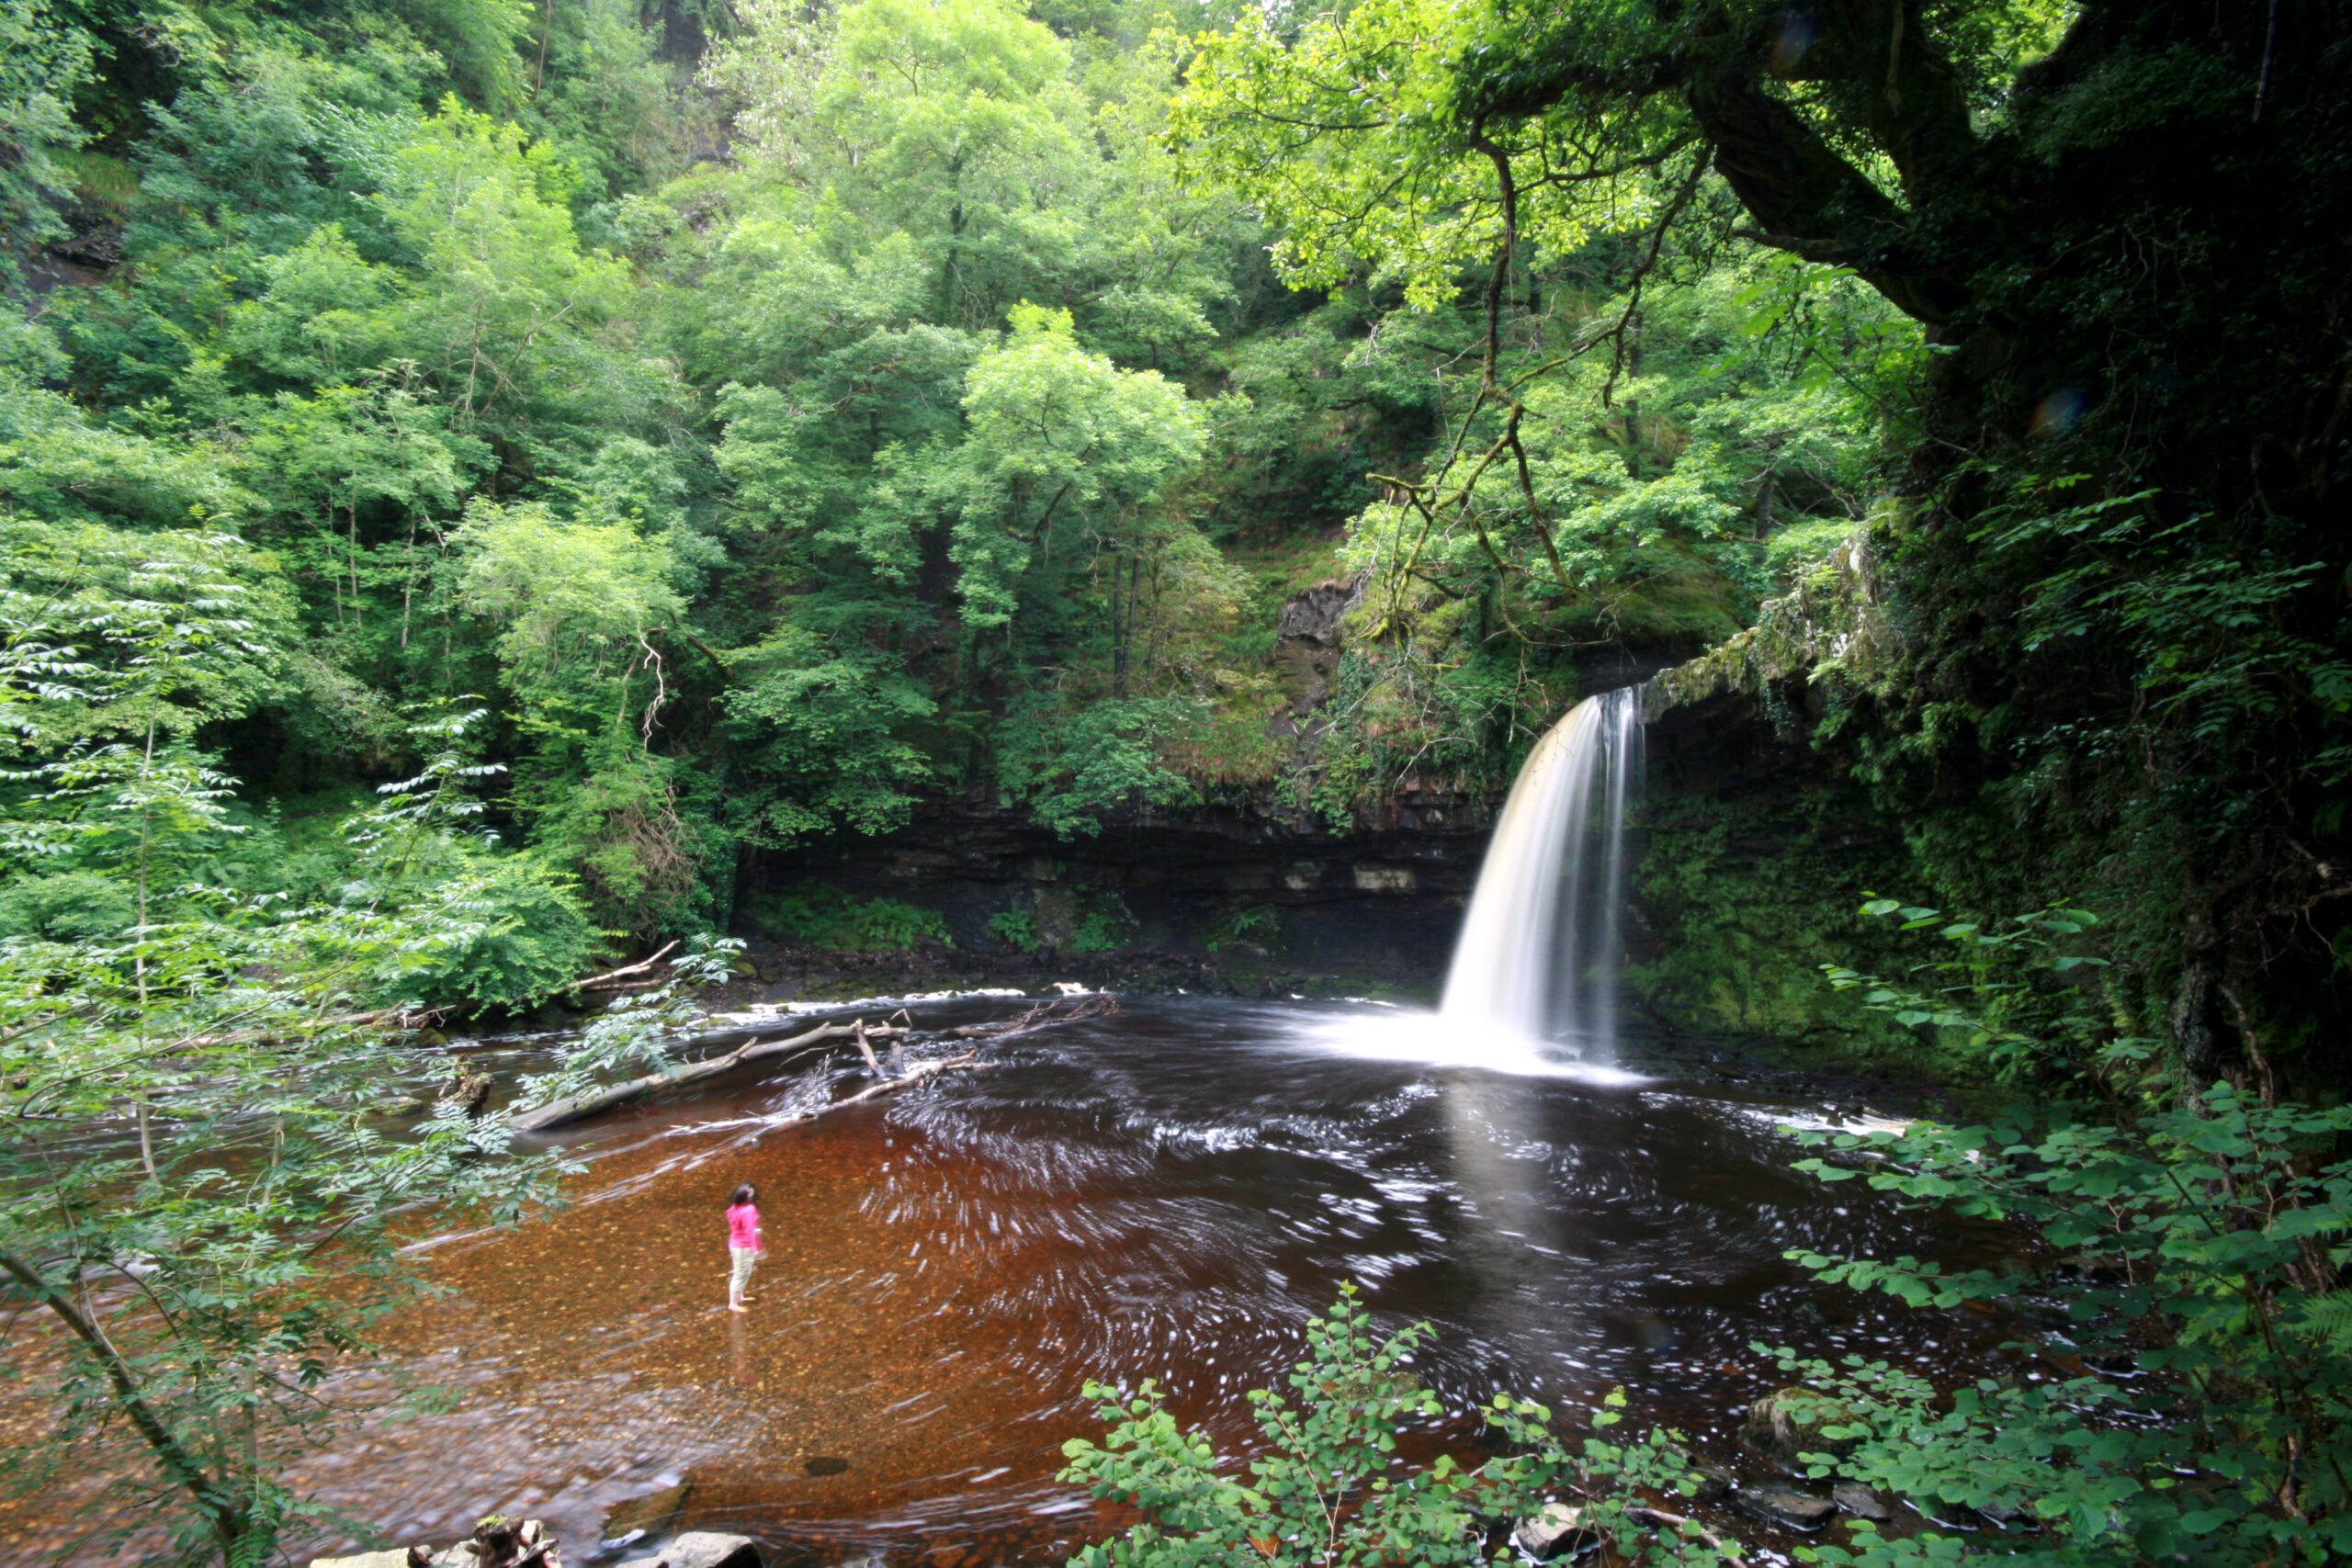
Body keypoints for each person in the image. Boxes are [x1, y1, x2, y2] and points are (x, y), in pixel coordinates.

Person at [725, 1182, 763, 1313]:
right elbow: (749, 1231)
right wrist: (755, 1248)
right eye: (749, 1191)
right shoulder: (749, 1209)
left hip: (735, 1244)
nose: (751, 1192)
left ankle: (740, 1297)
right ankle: (733, 1304)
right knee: (741, 1273)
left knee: (745, 1271)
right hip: (743, 1246)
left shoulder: (734, 1207)